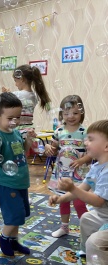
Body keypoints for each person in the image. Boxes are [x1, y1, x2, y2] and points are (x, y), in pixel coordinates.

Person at [48, 120, 108, 265]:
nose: (85, 143)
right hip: (103, 216)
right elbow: (82, 189)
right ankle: (85, 250)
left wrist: (72, 189)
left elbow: (97, 201)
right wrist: (60, 198)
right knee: (86, 219)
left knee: (95, 243)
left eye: (90, 139)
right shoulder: (97, 167)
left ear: (106, 145)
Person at [0, 92, 36, 257]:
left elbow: (22, 151)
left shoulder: (14, 132)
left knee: (20, 214)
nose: (14, 122)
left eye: (17, 117)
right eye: (10, 118)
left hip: (21, 181)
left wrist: (28, 140)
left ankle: (14, 241)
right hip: (7, 184)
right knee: (14, 215)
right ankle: (4, 238)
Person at [45, 95, 91, 238]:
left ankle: (87, 230)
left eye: (75, 113)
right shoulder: (59, 131)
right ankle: (64, 227)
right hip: (62, 173)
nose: (71, 116)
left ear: (81, 113)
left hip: (79, 174)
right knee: (62, 200)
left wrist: (83, 160)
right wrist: (48, 148)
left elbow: (92, 153)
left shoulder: (85, 132)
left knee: (79, 202)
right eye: (66, 113)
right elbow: (53, 148)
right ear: (61, 114)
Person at [2, 64, 51, 138]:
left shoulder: (16, 94)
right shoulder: (34, 96)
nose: (15, 84)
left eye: (15, 81)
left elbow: (5, 108)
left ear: (21, 79)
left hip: (17, 132)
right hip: (29, 131)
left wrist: (6, 94)